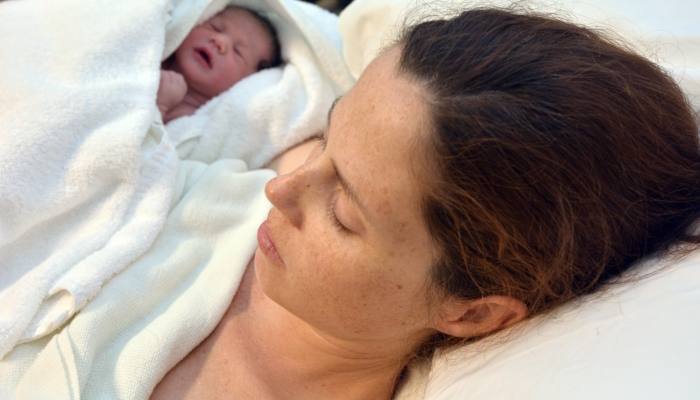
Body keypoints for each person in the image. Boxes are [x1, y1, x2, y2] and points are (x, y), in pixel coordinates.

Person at [152, 8, 700, 399]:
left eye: (343, 215)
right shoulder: (262, 151)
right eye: (326, 138)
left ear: (470, 312)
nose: (280, 189)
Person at [157, 6, 282, 123]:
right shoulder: (153, 50)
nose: (220, 41)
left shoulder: (194, 120)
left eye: (237, 52)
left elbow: (149, 142)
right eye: (215, 27)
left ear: (246, 83)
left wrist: (159, 107)